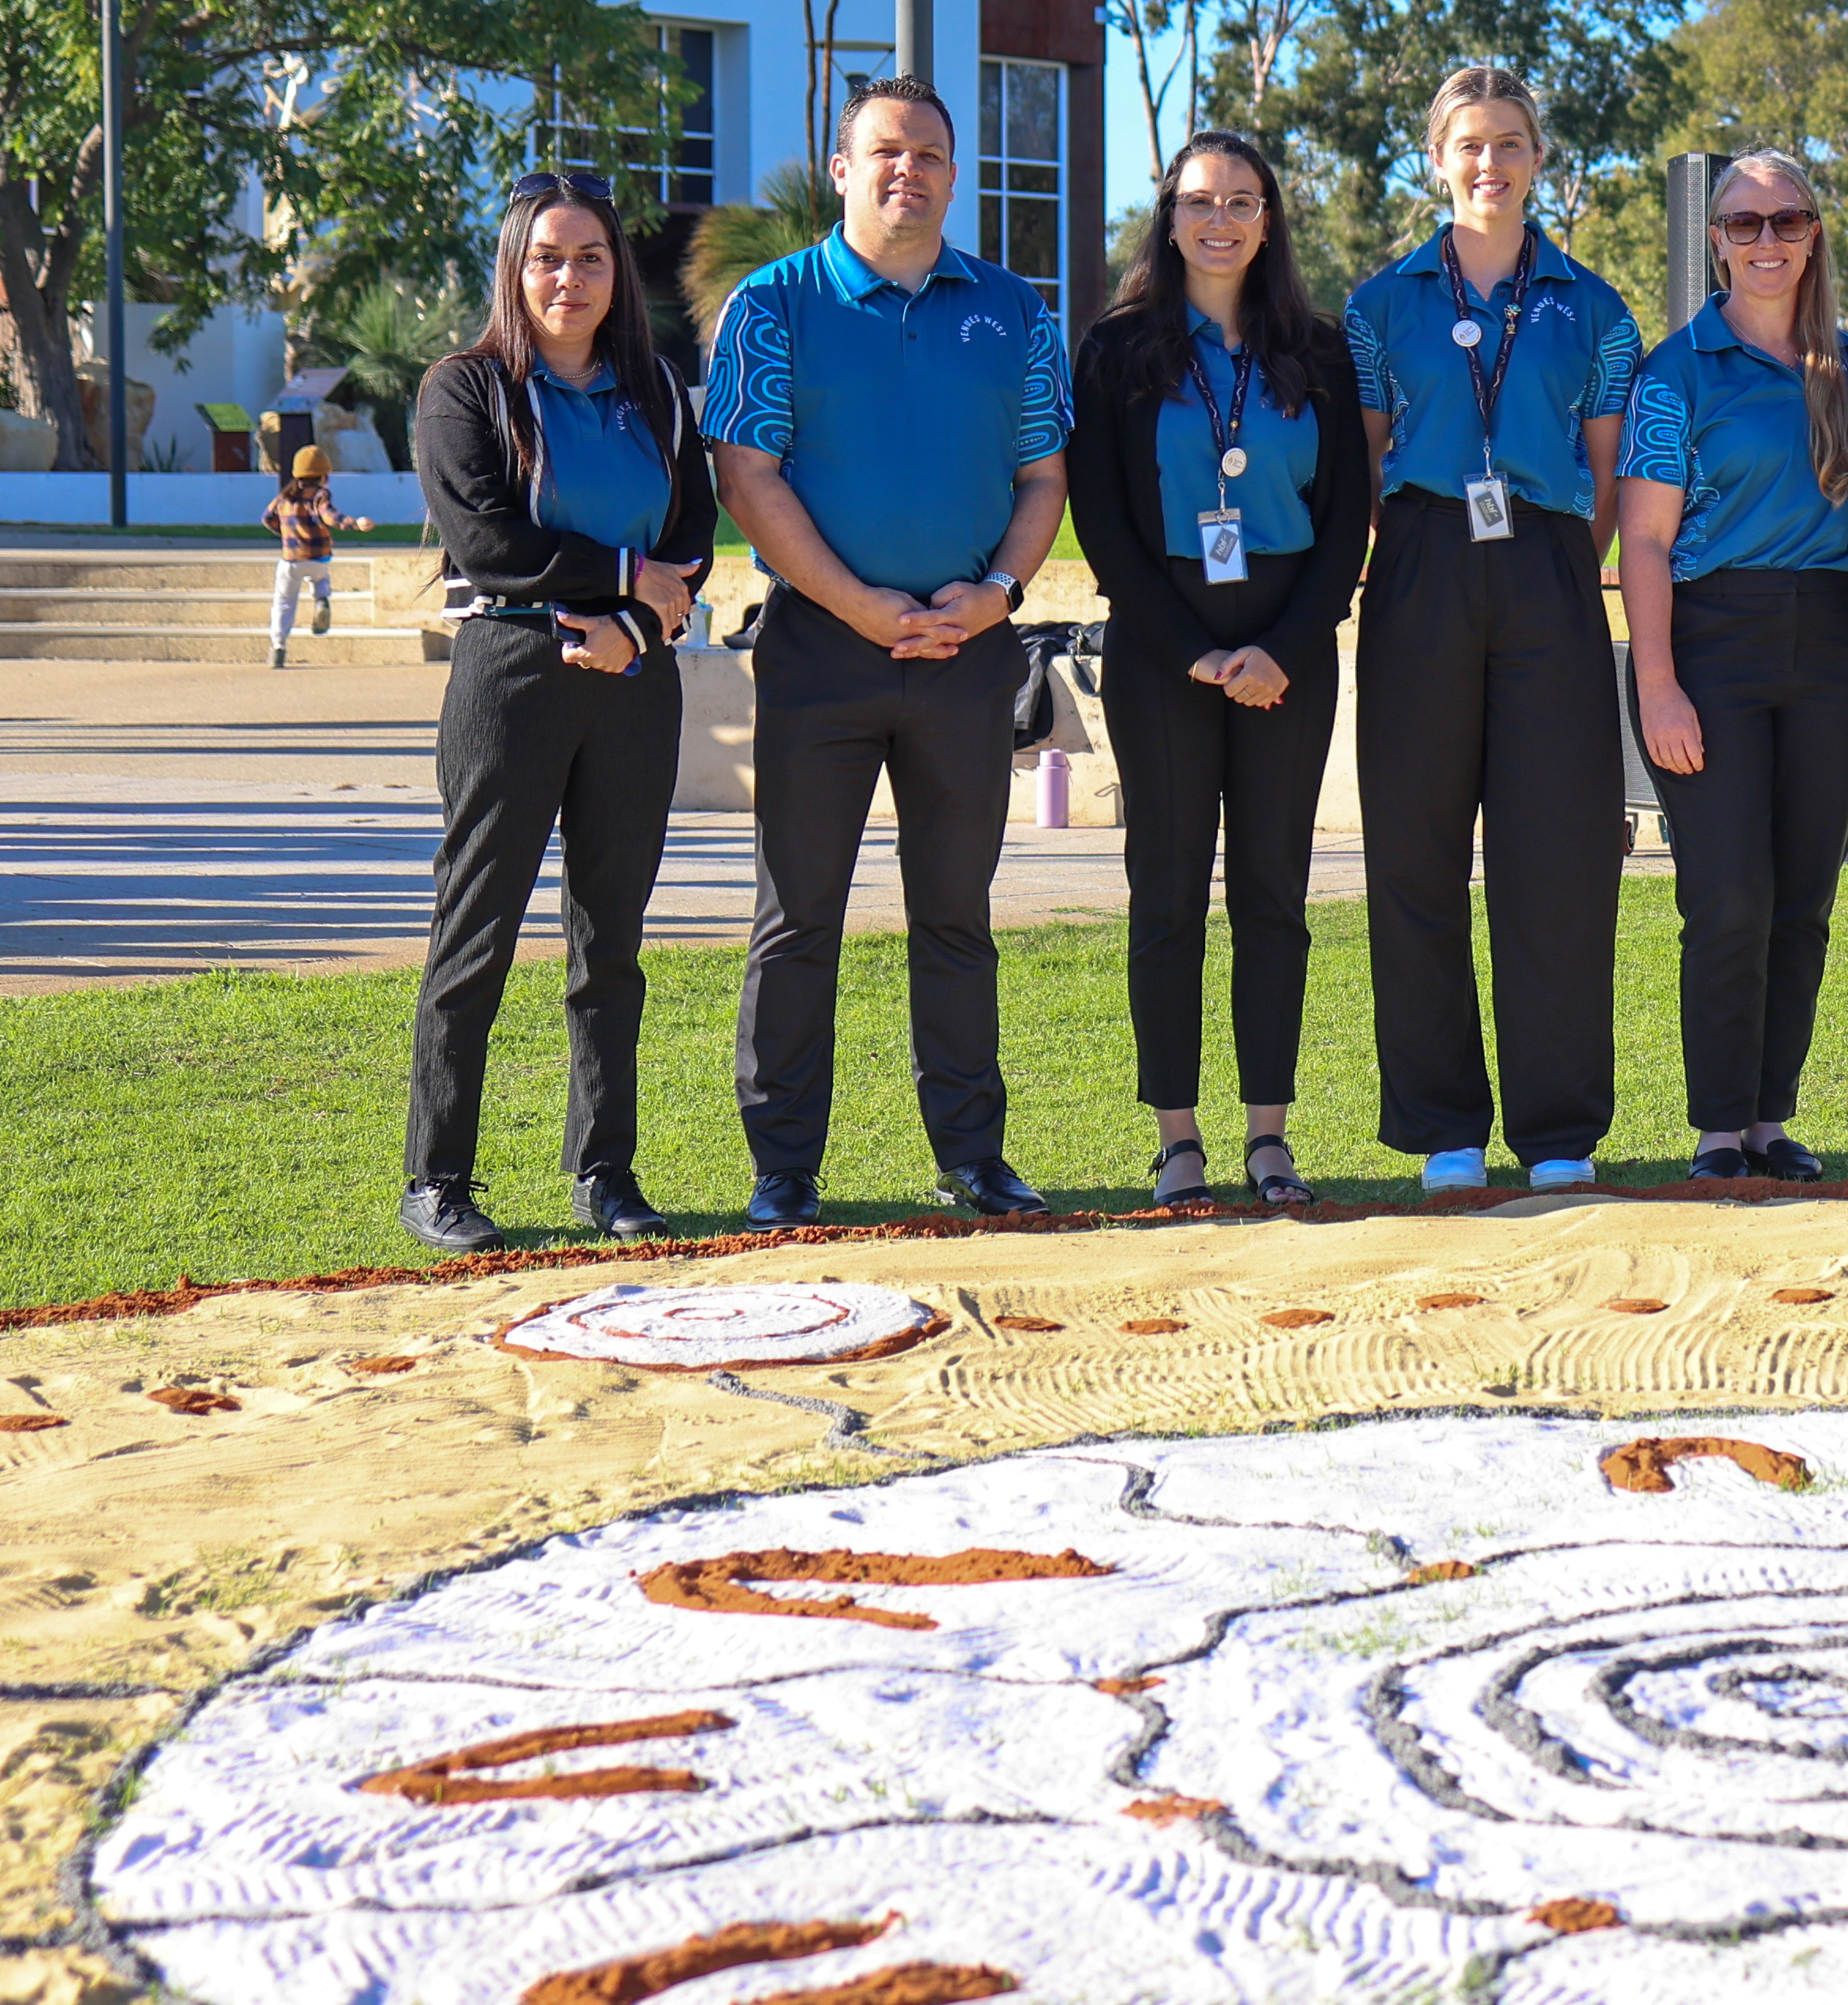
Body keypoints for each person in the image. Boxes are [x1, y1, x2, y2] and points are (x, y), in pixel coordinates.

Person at [703, 75, 1071, 1230]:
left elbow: (1043, 478)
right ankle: (783, 1171)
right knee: (797, 914)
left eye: (929, 155)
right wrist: (857, 603)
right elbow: (746, 476)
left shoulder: (1016, 311)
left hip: (969, 652)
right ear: (845, 167)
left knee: (955, 915)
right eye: (885, 151)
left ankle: (972, 1156)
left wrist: (1000, 592)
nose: (907, 170)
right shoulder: (773, 303)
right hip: (821, 650)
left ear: (954, 176)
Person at [396, 168, 716, 1253]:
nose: (568, 277)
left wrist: (634, 621)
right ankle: (437, 1180)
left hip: (633, 682)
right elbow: (490, 543)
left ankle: (606, 1174)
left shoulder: (661, 391)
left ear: (617, 271)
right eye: (546, 257)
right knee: (475, 932)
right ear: (514, 268)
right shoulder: (463, 389)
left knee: (610, 943)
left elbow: (695, 536)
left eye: (589, 256)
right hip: (511, 674)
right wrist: (627, 574)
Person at [1345, 65, 1643, 1195]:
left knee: (1559, 856)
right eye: (1468, 144)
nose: (1490, 163)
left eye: (1510, 142)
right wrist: (1418, 550)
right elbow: (1368, 457)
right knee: (1415, 853)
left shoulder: (1595, 306)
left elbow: (1610, 473)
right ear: (1436, 158)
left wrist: (1560, 555)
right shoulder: (1379, 306)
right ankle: (1444, 1130)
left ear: (1537, 157)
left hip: (1552, 568)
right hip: (1420, 561)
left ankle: (1560, 1131)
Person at [1064, 132, 1370, 1209]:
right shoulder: (1114, 352)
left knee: (1274, 898)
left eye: (1243, 200)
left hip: (1287, 645)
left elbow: (1346, 525)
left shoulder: (1320, 351)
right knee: (1168, 898)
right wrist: (1194, 651)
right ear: (1170, 217)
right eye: (1201, 201)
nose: (1222, 219)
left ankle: (1271, 1138)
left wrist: (1280, 650)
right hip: (1162, 648)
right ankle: (1180, 1140)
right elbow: (1099, 519)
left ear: (1271, 218)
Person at [1619, 149, 1848, 1183]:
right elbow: (1643, 541)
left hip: (1837, 643)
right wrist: (1656, 683)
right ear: (1717, 242)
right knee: (1726, 894)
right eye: (1743, 224)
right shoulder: (1676, 371)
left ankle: (1774, 1117)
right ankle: (1720, 1127)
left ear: (1815, 233)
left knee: (1804, 897)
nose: (1766, 239)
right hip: (1713, 645)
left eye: (1787, 220)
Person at [261, 437, 376, 664]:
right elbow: (330, 515)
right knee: (320, 576)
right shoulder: (320, 495)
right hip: (319, 556)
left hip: (291, 559)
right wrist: (352, 523)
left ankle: (278, 647)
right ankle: (321, 599)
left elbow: (266, 518)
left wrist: (285, 534)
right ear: (324, 474)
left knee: (284, 601)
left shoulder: (283, 497)